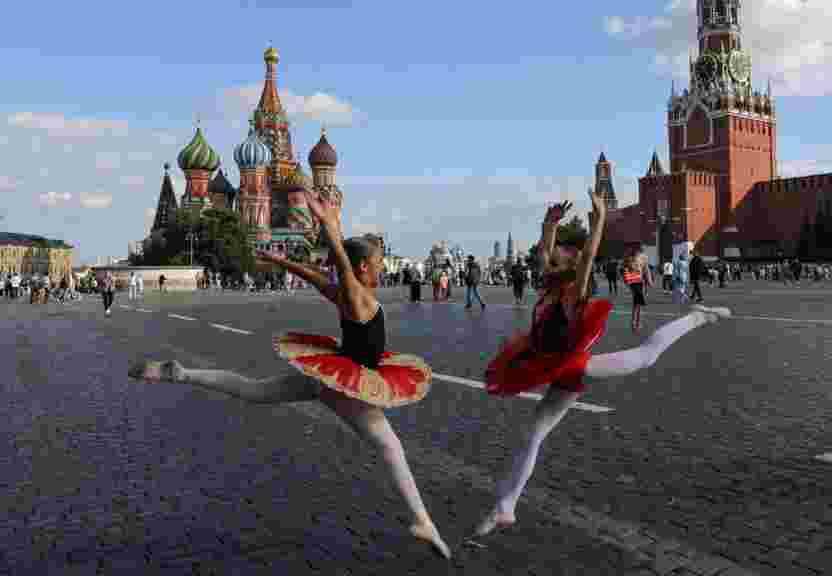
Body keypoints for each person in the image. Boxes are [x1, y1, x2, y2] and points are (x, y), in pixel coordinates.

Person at [128, 189, 451, 558]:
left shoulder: (349, 295)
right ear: (364, 268)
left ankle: (182, 373)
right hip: (349, 386)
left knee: (255, 390)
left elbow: (315, 276)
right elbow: (341, 267)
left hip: (329, 377)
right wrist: (331, 226)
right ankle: (422, 519)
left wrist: (279, 261)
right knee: (391, 447)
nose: (381, 267)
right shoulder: (357, 296)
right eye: (378, 262)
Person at [476, 191, 730, 538]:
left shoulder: (574, 291)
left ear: (573, 265)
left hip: (573, 366)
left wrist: (597, 222)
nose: (559, 252)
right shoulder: (549, 282)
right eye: (561, 250)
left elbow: (589, 255)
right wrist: (549, 224)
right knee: (532, 436)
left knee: (646, 356)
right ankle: (507, 506)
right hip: (550, 362)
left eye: (566, 252)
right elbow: (544, 252)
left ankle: (698, 318)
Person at [623, 250, 648, 333]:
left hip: (636, 283)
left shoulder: (631, 261)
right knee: (637, 304)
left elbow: (643, 271)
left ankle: (635, 322)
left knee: (637, 304)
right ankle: (635, 323)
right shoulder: (632, 261)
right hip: (636, 283)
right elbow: (642, 271)